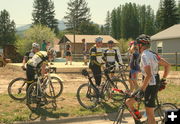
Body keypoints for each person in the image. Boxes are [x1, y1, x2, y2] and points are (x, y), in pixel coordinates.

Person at [126, 34, 170, 124]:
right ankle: (138, 119)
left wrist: (142, 90)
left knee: (150, 114)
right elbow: (167, 65)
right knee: (129, 102)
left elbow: (149, 75)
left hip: (150, 85)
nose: (136, 46)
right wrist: (163, 79)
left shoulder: (144, 56)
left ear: (140, 45)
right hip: (151, 83)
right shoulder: (153, 54)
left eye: (137, 44)